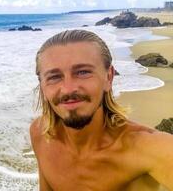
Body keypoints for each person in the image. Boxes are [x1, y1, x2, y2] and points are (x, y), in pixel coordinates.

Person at [29, 29, 173, 191]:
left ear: (109, 77)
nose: (68, 89)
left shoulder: (148, 148)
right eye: (54, 77)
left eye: (83, 72)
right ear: (42, 85)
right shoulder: (40, 133)